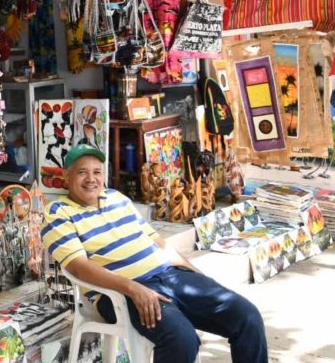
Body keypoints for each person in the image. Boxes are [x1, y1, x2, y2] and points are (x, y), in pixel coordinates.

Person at [41, 144, 267, 363]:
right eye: (82, 172)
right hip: (120, 292)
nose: (91, 179)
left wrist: (197, 275)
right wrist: (133, 288)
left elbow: (159, 244)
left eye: (97, 172)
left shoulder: (117, 198)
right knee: (181, 339)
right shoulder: (58, 212)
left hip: (171, 276)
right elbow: (79, 267)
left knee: (247, 316)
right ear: (66, 176)